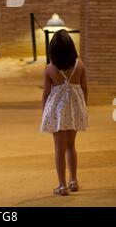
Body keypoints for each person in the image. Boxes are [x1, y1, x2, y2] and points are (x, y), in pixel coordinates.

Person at [41, 29, 88, 196]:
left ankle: (62, 185)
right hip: (74, 111)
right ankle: (73, 181)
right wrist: (83, 108)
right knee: (71, 145)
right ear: (71, 48)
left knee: (58, 149)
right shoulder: (80, 65)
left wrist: (43, 112)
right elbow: (84, 90)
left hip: (57, 113)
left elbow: (46, 94)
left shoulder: (49, 69)